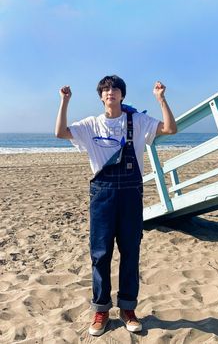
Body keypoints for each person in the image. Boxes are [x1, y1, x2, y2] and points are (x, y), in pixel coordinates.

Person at [55, 75, 177, 336]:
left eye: (115, 89)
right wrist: (64, 102)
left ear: (122, 95)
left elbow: (170, 129)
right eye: (106, 89)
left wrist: (161, 99)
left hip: (131, 195)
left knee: (130, 252)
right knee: (100, 254)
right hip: (102, 196)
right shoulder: (91, 124)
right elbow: (60, 133)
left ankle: (127, 308)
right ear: (101, 96)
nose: (110, 92)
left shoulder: (137, 120)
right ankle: (101, 309)